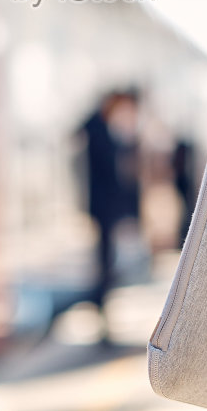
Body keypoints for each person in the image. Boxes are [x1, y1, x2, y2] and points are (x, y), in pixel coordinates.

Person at [79, 88, 141, 311]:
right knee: (104, 252)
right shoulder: (98, 130)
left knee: (106, 251)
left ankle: (103, 292)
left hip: (104, 202)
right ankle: (101, 294)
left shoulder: (101, 129)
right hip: (102, 202)